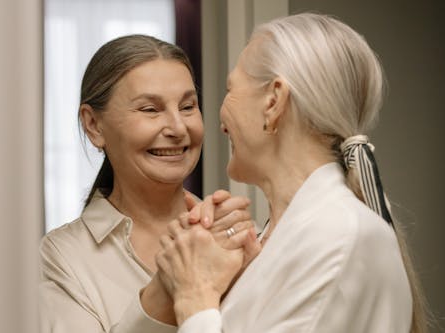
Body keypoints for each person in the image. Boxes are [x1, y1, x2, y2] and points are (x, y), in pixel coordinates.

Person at [154, 13, 427, 332]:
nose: (219, 116)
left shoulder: (334, 236)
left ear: (274, 101)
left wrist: (193, 296)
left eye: (231, 88)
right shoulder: (288, 238)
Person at [38, 35, 256, 333]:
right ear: (93, 125)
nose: (178, 128)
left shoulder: (233, 237)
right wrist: (166, 290)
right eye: (150, 110)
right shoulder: (62, 257)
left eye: (188, 106)